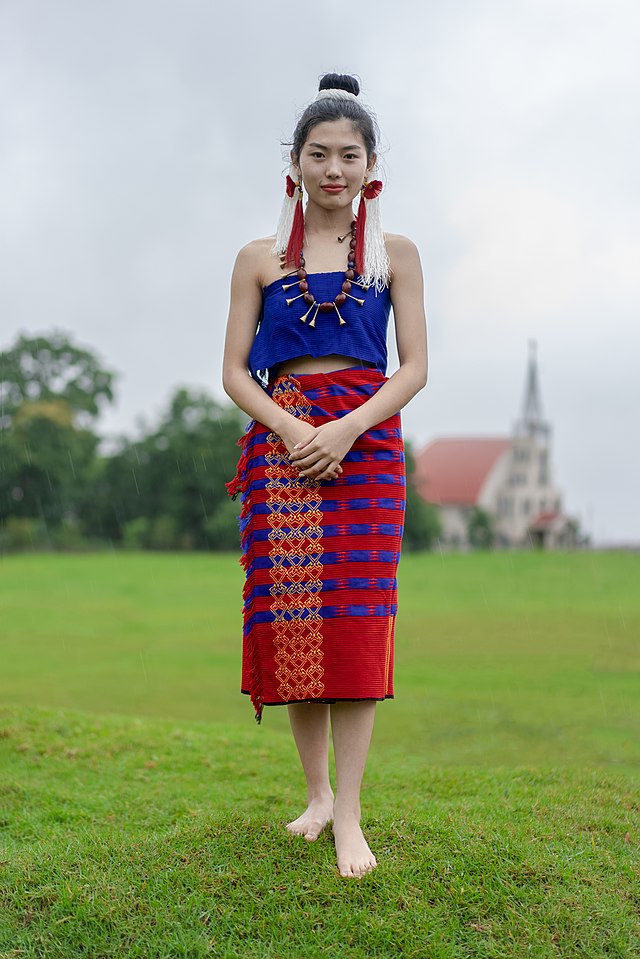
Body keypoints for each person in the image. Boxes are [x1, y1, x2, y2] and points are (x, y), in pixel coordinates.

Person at [222, 72, 428, 879]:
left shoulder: (395, 254)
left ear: (371, 164)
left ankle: (349, 813)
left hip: (366, 445)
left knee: (356, 625)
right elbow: (235, 372)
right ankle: (313, 794)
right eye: (318, 153)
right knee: (297, 623)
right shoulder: (258, 258)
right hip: (284, 446)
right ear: (296, 163)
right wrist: (293, 427)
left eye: (348, 154)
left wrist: (343, 428)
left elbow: (413, 368)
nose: (332, 168)